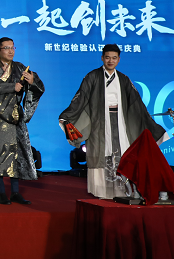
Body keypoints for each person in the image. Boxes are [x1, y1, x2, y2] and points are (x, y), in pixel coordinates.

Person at [59, 44, 170, 199]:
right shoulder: (92, 77)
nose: (110, 61)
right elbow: (81, 98)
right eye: (107, 57)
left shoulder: (123, 79)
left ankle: (124, 191)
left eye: (114, 58)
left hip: (120, 120)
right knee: (101, 152)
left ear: (119, 59)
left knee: (123, 151)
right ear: (102, 58)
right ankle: (102, 191)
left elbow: (136, 103)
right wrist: (67, 116)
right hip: (99, 120)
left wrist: (149, 122)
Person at [0, 37, 44, 205]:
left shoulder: (19, 67)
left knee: (17, 153)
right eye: (6, 48)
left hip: (17, 117)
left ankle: (15, 192)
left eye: (12, 47)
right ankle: (1, 192)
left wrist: (32, 81)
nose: (10, 51)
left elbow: (37, 86)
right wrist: (11, 87)